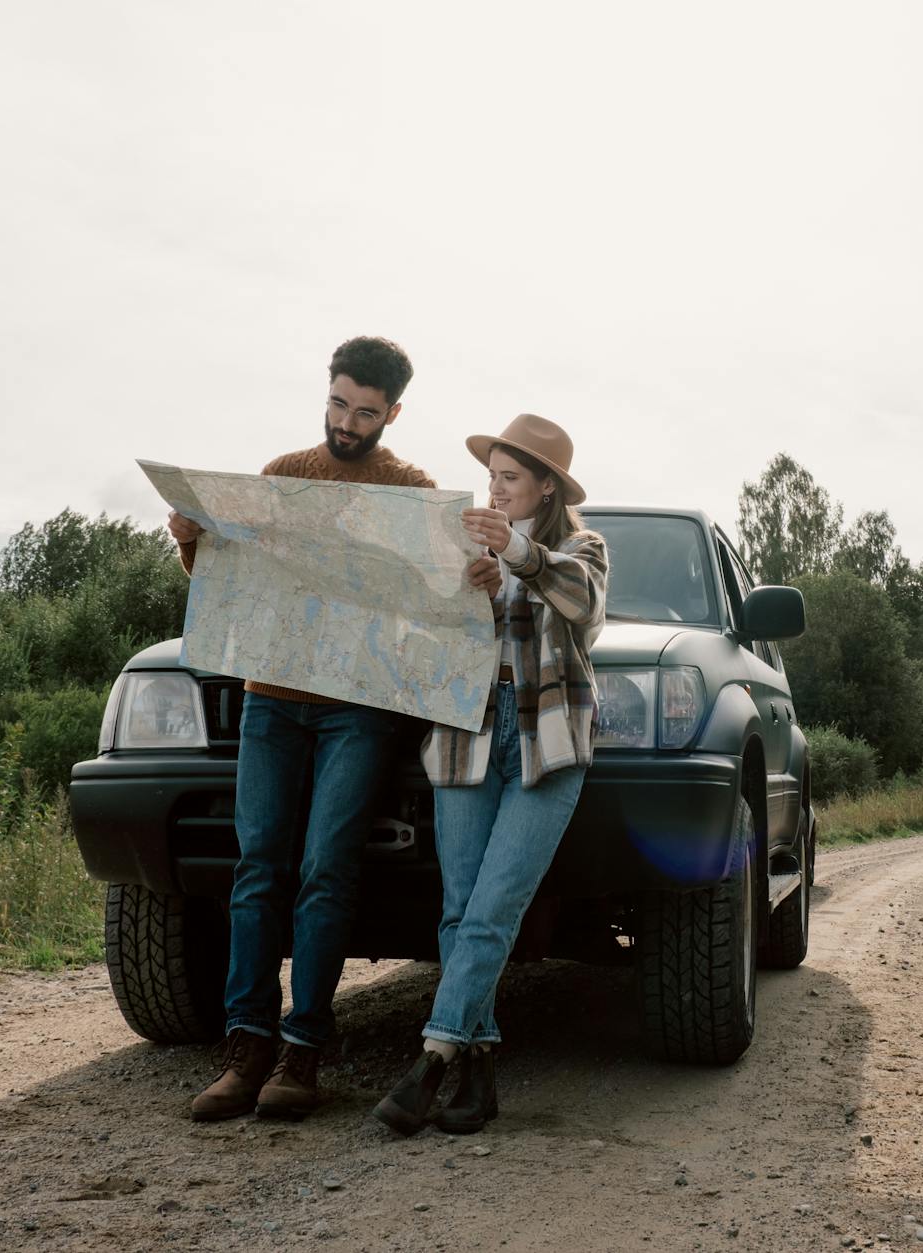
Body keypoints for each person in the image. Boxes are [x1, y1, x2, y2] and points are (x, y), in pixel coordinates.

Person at [173, 335, 498, 1122]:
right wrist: (190, 543)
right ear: (326, 392)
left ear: (393, 413)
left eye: (365, 412)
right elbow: (235, 581)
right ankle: (245, 1045)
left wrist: (479, 578)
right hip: (271, 698)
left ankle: (303, 1051)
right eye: (338, 404)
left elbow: (439, 599)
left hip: (359, 707)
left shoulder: (411, 491)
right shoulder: (283, 474)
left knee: (326, 869)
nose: (347, 423)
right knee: (258, 866)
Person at [374, 413, 608, 1136]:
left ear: (546, 487)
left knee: (493, 908)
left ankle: (432, 1060)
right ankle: (478, 1075)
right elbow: (421, 639)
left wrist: (516, 553)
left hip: (547, 740)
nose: (496, 491)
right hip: (465, 732)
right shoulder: (464, 548)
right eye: (491, 477)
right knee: (459, 910)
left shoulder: (581, 548)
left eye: (510, 478)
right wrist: (464, 595)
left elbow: (585, 606)